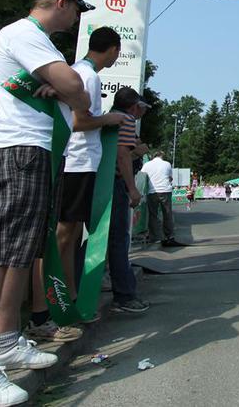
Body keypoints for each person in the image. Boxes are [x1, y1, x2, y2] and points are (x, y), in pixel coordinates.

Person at [0, 0, 93, 406]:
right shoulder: (25, 34)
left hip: (31, 152)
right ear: (62, 3)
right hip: (17, 152)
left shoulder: (32, 39)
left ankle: (6, 342)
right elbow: (76, 89)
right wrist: (65, 88)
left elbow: (76, 95)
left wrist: (66, 90)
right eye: (76, 9)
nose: (76, 17)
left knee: (18, 255)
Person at [24, 26, 125, 343]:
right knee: (62, 237)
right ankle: (46, 311)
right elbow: (80, 122)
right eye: (117, 52)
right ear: (113, 50)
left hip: (79, 162)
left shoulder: (80, 72)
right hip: (77, 162)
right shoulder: (88, 76)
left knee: (70, 235)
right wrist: (108, 120)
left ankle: (68, 301)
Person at [108, 87, 151, 312]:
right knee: (119, 238)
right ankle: (124, 295)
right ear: (135, 107)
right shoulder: (125, 120)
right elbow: (122, 154)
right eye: (142, 109)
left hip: (103, 181)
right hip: (114, 183)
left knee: (110, 238)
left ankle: (116, 286)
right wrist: (132, 189)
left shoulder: (111, 116)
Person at [142, 151, 186, 247]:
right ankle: (169, 236)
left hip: (152, 191)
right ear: (162, 156)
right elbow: (170, 178)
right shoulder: (167, 164)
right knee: (167, 214)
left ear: (153, 156)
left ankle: (155, 237)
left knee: (153, 215)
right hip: (165, 190)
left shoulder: (147, 164)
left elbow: (142, 177)